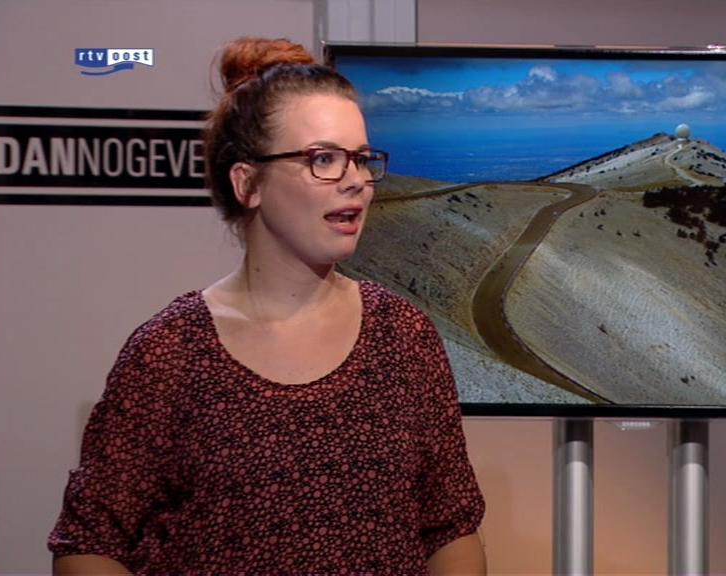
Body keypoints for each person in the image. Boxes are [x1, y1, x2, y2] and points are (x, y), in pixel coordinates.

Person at [48, 37, 486, 575]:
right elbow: (86, 544)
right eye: (323, 159)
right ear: (247, 182)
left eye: (361, 159)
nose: (356, 181)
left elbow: (451, 528)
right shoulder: (170, 352)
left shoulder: (404, 336)